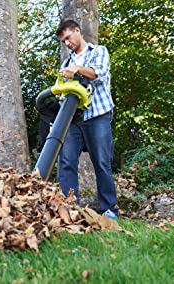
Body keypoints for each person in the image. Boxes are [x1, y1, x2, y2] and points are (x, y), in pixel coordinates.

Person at [55, 19, 118, 219]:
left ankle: (109, 210)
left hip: (97, 115)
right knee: (66, 161)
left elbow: (98, 74)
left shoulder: (98, 52)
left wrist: (78, 69)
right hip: (73, 120)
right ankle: (71, 209)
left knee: (101, 161)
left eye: (68, 38)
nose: (67, 43)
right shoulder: (66, 64)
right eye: (63, 41)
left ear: (77, 31)